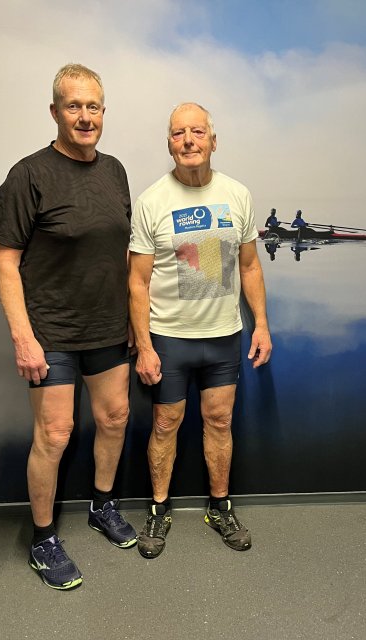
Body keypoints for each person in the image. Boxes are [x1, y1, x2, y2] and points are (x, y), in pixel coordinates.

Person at [0, 64, 136, 590]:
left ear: (103, 112)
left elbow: (120, 252)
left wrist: (133, 324)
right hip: (50, 332)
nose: (85, 116)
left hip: (108, 328)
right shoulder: (28, 175)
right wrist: (23, 338)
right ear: (55, 112)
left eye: (93, 106)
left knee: (115, 419)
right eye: (74, 106)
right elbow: (4, 261)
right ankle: (43, 539)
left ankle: (102, 506)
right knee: (54, 434)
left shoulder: (115, 171)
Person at [128, 102, 272, 559]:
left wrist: (261, 326)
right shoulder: (153, 201)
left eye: (197, 132)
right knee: (165, 424)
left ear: (213, 140)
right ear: (169, 143)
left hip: (224, 336)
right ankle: (158, 509)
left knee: (220, 421)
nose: (188, 140)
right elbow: (137, 281)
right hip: (169, 338)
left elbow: (250, 267)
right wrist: (144, 346)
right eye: (178, 133)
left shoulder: (237, 195)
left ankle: (219, 508)